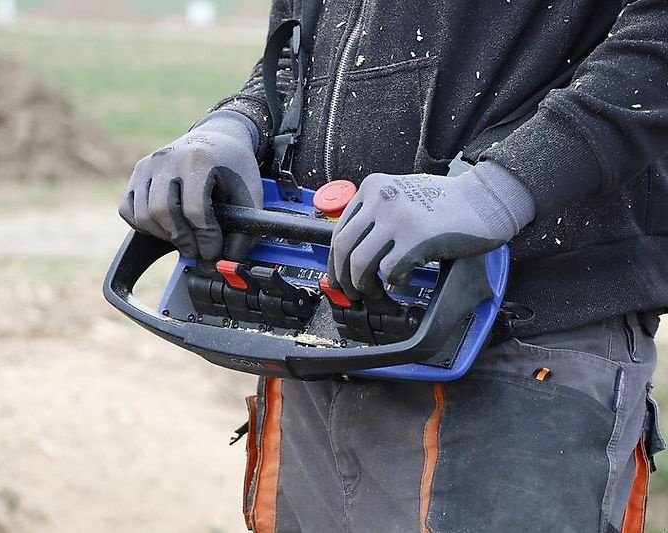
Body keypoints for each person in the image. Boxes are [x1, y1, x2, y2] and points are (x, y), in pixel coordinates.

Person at [118, 1, 668, 531]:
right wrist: (239, 120)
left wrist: (503, 188)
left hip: (517, 352)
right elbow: (299, 42)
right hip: (320, 335)